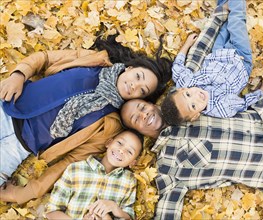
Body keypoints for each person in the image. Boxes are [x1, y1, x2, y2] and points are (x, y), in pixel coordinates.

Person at [120, 1, 263, 219]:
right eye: (136, 119)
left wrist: (220, 15)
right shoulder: (168, 168)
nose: (144, 114)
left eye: (142, 107)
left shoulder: (181, 94)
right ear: (140, 133)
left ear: (152, 103)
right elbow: (166, 212)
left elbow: (198, 54)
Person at [0, 34, 171, 204]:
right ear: (130, 68)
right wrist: (19, 74)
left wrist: (26, 193)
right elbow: (45, 58)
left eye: (142, 90)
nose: (135, 85)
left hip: (17, 147)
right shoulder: (94, 60)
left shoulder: (109, 125)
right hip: (8, 105)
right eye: (138, 76)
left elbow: (69, 162)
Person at [161, 2, 263, 126]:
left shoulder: (186, 82)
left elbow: (177, 67)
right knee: (236, 21)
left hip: (217, 53)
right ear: (195, 116)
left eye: (188, 94)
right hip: (241, 60)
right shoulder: (220, 108)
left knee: (225, 24)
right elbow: (243, 103)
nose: (196, 96)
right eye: (193, 106)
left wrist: (187, 44)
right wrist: (260, 93)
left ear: (182, 89)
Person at [45, 130, 143, 220]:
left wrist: (114, 208)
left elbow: (129, 216)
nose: (121, 150)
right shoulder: (75, 169)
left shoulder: (129, 180)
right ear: (109, 143)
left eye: (129, 152)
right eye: (120, 143)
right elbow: (51, 211)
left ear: (133, 162)